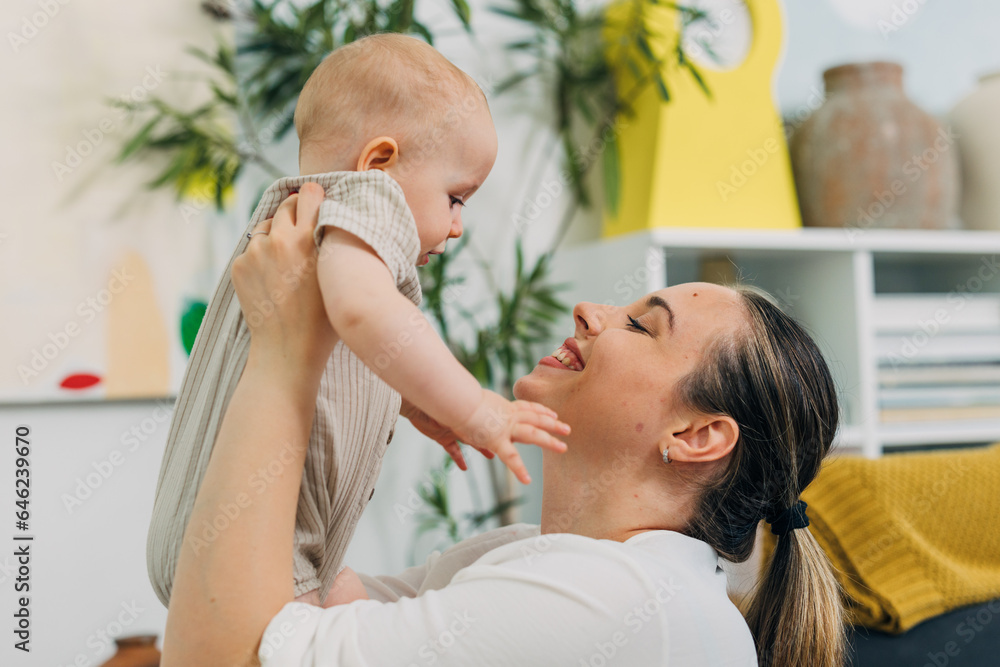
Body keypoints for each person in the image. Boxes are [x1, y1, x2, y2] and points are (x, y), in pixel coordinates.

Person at [161, 187, 846, 667]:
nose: (589, 310)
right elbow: (299, 605)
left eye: (641, 324)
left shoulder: (625, 603)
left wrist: (285, 354)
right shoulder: (542, 560)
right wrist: (357, 379)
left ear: (697, 437)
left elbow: (230, 655)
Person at [146, 33, 570, 611]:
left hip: (215, 534)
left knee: (349, 601)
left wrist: (413, 398)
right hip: (267, 547)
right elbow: (363, 310)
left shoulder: (308, 219)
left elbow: (341, 339)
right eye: (455, 198)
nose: (456, 226)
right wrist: (473, 405)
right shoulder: (370, 198)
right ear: (379, 161)